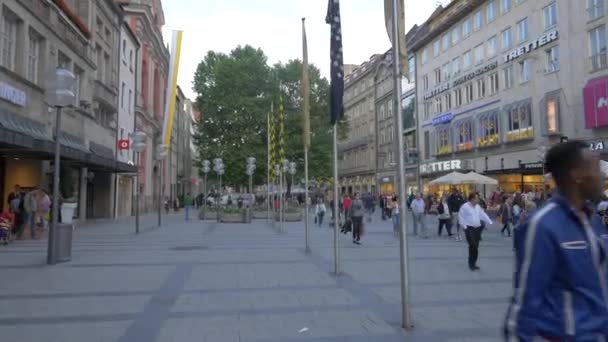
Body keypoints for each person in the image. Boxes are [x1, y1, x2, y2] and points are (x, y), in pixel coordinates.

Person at [504, 141, 608, 340]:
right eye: (595, 168)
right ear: (577, 175)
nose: (602, 175)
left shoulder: (593, 221)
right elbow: (525, 300)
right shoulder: (543, 225)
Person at [458, 193, 492, 271]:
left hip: (477, 228)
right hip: (469, 228)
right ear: (472, 199)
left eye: (478, 198)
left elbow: (482, 214)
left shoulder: (477, 206)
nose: (478, 200)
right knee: (472, 245)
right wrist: (464, 226)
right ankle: (471, 263)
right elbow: (461, 216)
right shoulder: (465, 207)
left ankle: (474, 263)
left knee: (476, 246)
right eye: (476, 198)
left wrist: (489, 221)